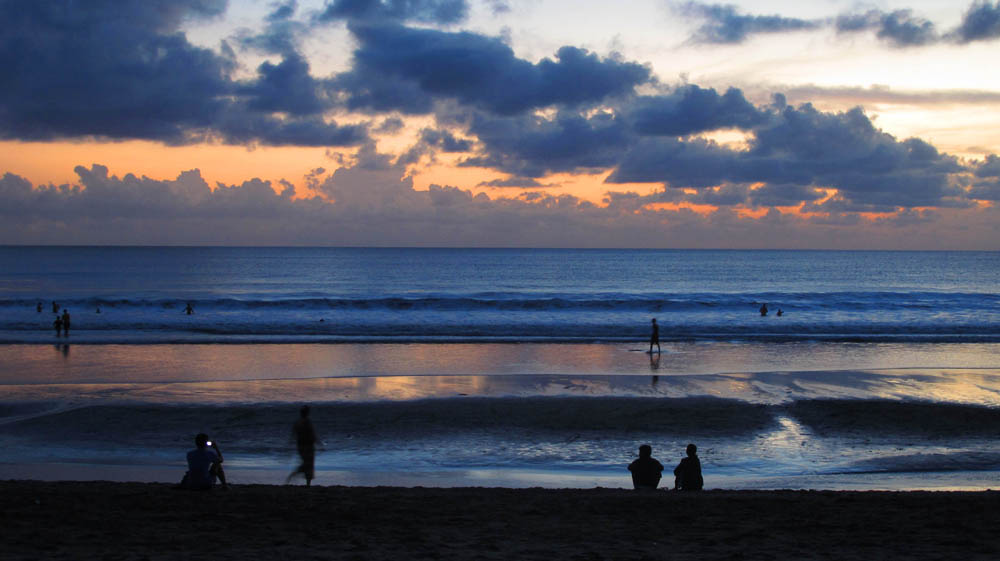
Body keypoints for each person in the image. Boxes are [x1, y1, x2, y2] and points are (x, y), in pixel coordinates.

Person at [287, 405, 317, 486]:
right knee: (309, 464)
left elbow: (293, 435)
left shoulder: (297, 422)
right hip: (309, 446)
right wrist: (319, 443)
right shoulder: (307, 422)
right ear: (307, 413)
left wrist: (289, 445)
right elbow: (312, 434)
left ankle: (294, 474)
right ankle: (306, 483)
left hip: (300, 446)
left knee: (305, 463)